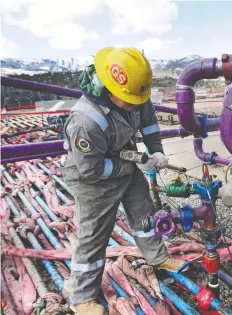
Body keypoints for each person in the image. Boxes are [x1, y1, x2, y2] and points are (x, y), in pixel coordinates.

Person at [62, 47, 187, 315]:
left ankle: (157, 257)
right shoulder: (85, 120)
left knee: (145, 214)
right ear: (109, 89)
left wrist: (156, 153)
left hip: (125, 166)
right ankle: (81, 297)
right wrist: (131, 163)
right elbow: (90, 170)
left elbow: (150, 124)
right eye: (129, 99)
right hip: (92, 179)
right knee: (94, 235)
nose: (135, 104)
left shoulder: (135, 93)